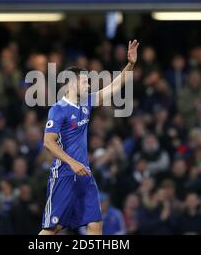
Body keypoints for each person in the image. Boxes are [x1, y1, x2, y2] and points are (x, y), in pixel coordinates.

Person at [39, 40, 139, 235]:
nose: (88, 84)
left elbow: (113, 88)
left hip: (84, 173)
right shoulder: (58, 110)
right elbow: (48, 142)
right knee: (53, 228)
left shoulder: (86, 102)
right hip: (64, 175)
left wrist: (131, 64)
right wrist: (72, 163)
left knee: (95, 223)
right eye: (84, 81)